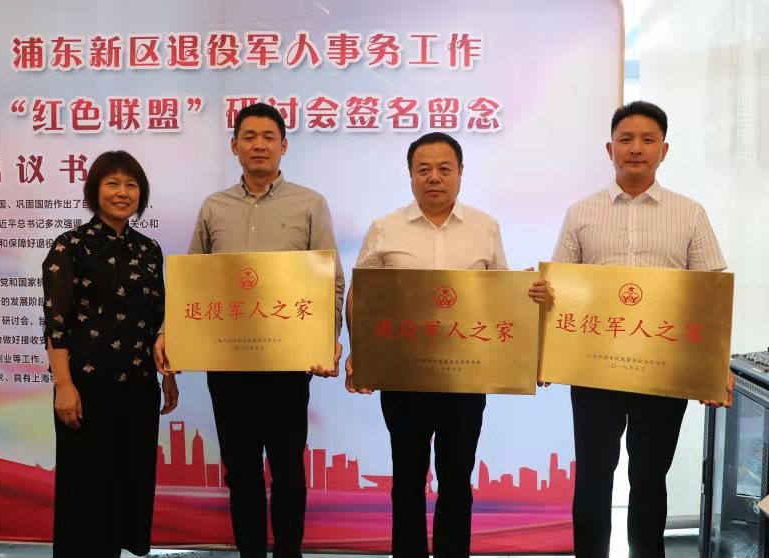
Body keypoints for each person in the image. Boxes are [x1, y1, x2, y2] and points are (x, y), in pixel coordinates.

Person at [529, 101, 734, 558]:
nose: (636, 148)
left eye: (647, 140)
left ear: (664, 149)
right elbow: (559, 289)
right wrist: (544, 339)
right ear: (610, 149)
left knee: (650, 477)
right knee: (593, 476)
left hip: (664, 369)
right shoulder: (581, 213)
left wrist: (715, 367)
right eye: (626, 139)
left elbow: (710, 296)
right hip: (593, 369)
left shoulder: (690, 213)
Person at [153, 102, 344, 558]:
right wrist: (169, 332)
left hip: (287, 364)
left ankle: (288, 553)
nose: (259, 145)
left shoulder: (310, 204)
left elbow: (331, 281)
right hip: (228, 362)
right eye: (250, 136)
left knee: (288, 470)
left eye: (268, 137)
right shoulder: (214, 207)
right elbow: (192, 281)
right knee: (240, 470)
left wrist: (326, 340)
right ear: (234, 145)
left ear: (284, 146)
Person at [345, 132, 507, 558]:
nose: (434, 177)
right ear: (411, 174)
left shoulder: (485, 228)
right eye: (424, 169)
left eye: (444, 169)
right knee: (407, 480)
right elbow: (361, 295)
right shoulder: (385, 228)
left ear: (460, 173)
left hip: (465, 379)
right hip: (403, 378)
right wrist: (360, 352)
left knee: (456, 479)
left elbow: (500, 296)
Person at [43, 151, 178, 558]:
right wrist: (63, 386)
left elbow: (160, 320)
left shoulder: (149, 250)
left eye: (131, 185)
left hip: (139, 388)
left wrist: (168, 376)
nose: (122, 193)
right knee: (85, 489)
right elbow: (57, 323)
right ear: (95, 190)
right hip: (86, 389)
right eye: (112, 183)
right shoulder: (70, 246)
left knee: (128, 485)